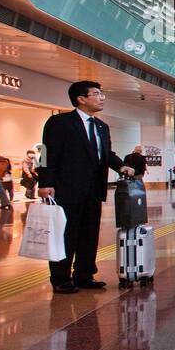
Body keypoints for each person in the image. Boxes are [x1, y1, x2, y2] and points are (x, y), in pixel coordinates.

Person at [36, 80, 136, 293]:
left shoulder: (101, 126)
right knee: (66, 233)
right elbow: (46, 154)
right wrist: (44, 183)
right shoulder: (60, 122)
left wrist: (121, 167)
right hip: (66, 188)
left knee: (89, 233)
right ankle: (61, 278)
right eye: (97, 93)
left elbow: (106, 154)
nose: (102, 98)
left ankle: (84, 274)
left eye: (102, 94)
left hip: (93, 189)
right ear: (81, 99)